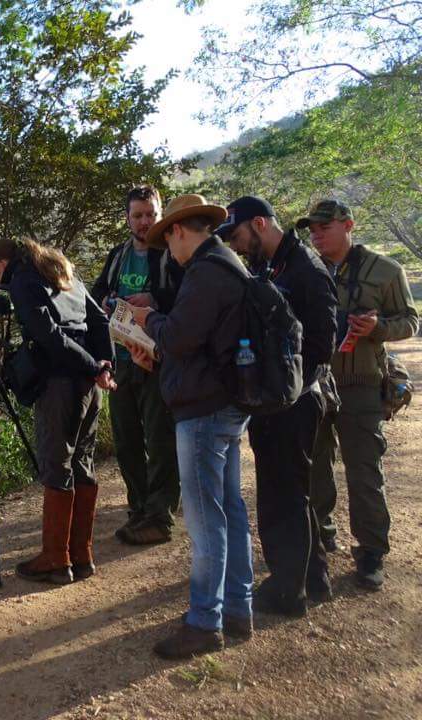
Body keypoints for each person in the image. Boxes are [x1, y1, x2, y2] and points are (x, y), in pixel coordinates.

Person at [127, 194, 253, 659]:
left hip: (203, 410)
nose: (169, 251)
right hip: (224, 403)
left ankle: (205, 622)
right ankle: (238, 608)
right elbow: (199, 341)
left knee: (205, 522)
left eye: (168, 239)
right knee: (230, 511)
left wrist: (147, 320)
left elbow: (180, 334)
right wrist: (156, 349)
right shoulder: (228, 264)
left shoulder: (206, 271)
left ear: (180, 230)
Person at [216, 196, 338, 615]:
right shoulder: (272, 267)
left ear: (261, 223)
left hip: (296, 403)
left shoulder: (305, 269)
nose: (236, 244)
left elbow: (324, 343)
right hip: (277, 402)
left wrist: (286, 387)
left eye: (237, 235)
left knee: (284, 495)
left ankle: (288, 592)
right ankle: (314, 577)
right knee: (291, 492)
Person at [0, 238, 116, 586]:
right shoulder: (62, 272)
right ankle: (81, 556)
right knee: (82, 463)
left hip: (61, 385)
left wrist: (93, 367)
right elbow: (99, 319)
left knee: (56, 463)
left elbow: (49, 336)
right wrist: (103, 365)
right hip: (88, 385)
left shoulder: (24, 280)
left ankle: (56, 560)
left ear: (1, 264)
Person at [301, 200, 420, 590]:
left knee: (364, 470)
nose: (316, 234)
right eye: (312, 229)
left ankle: (371, 552)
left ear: (348, 224)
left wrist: (377, 327)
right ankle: (322, 533)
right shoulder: (307, 269)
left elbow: (410, 322)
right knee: (315, 464)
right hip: (317, 382)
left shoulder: (385, 270)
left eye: (324, 227)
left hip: (361, 384)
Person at [91, 185, 183, 545]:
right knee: (127, 441)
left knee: (161, 440)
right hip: (123, 358)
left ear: (160, 215)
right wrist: (105, 302)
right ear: (127, 218)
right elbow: (97, 292)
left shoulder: (171, 254)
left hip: (158, 360)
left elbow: (189, 296)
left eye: (151, 214)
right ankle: (140, 508)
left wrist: (154, 298)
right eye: (138, 215)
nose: (145, 221)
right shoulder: (118, 255)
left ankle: (160, 517)